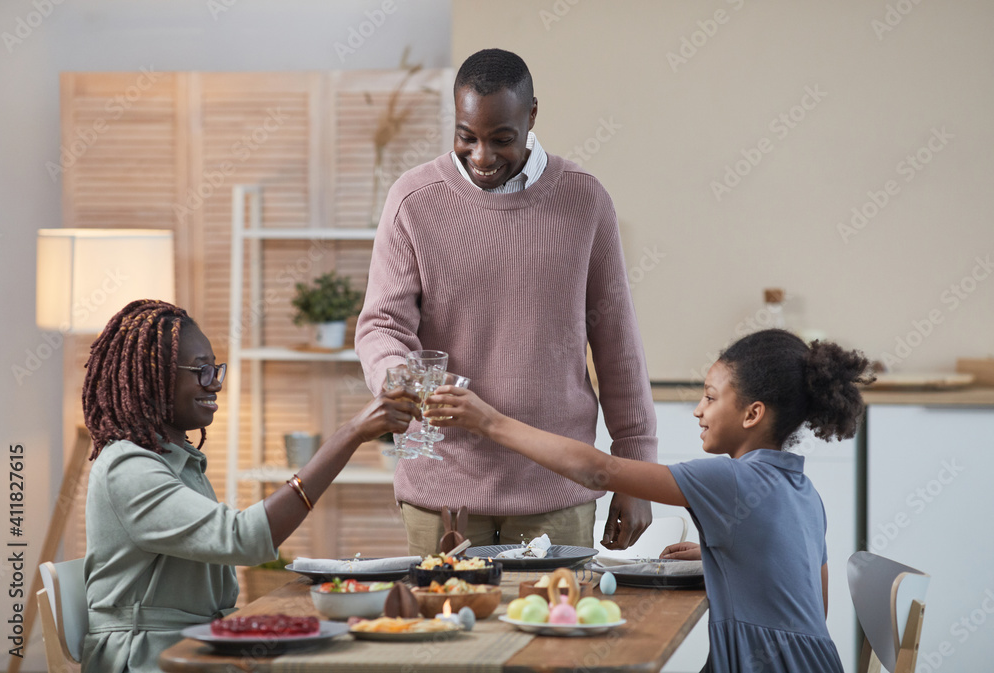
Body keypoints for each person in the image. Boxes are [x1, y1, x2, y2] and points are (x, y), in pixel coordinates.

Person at [355, 47, 656, 556]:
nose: (482, 157)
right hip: (442, 492)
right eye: (466, 137)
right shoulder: (412, 200)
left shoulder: (584, 200)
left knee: (554, 632)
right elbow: (382, 324)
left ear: (531, 115)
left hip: (557, 489)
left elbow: (617, 344)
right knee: (447, 634)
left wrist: (637, 469)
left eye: (501, 140)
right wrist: (397, 375)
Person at [426, 329, 872, 672]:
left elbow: (600, 470)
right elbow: (813, 599)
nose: (698, 409)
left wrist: (491, 423)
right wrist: (725, 553)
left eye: (711, 397)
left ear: (753, 413)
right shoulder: (803, 490)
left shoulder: (730, 479)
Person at [80, 299, 418, 672]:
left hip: (194, 644)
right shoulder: (128, 468)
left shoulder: (173, 459)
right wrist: (349, 435)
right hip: (150, 658)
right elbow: (240, 538)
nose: (216, 383)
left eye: (215, 369)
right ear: (152, 374)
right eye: (201, 370)